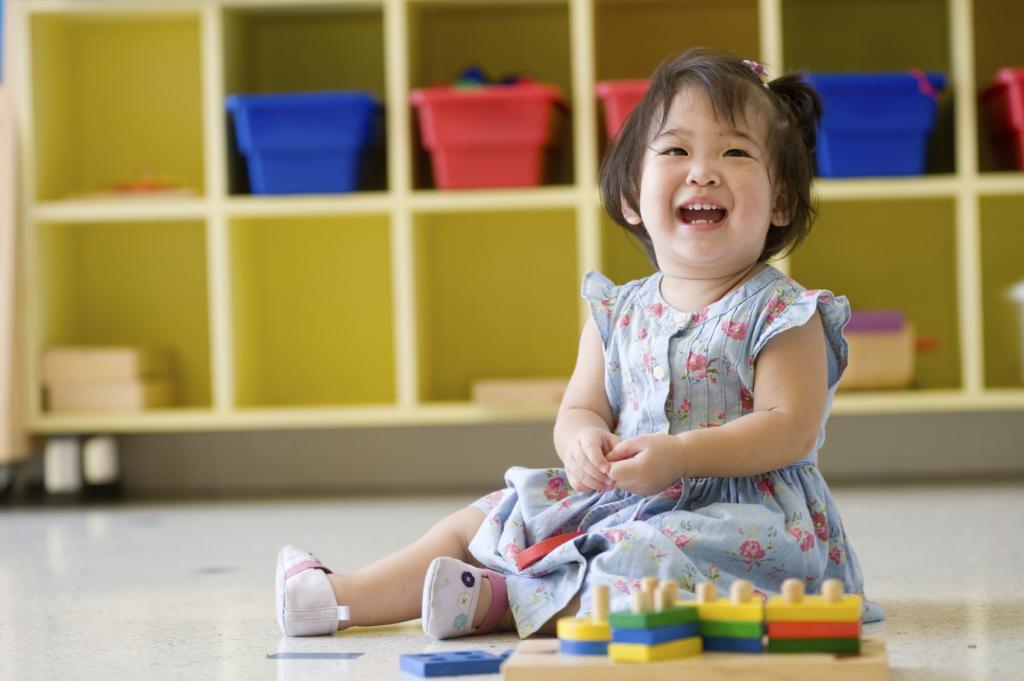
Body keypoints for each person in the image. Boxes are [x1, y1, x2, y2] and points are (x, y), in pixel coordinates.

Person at [275, 47, 884, 639]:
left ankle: (495, 602)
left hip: (737, 518)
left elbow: (789, 427)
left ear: (780, 200)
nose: (703, 170)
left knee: (646, 560)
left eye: (735, 152)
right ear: (629, 198)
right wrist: (581, 444)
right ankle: (341, 596)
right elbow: (581, 407)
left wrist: (684, 457)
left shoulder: (784, 312)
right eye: (675, 149)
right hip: (618, 498)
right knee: (492, 515)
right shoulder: (616, 311)